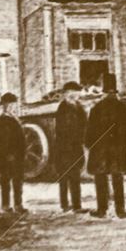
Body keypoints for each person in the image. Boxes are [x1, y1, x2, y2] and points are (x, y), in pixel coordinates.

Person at [84, 73, 126, 218]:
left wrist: (90, 145)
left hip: (100, 150)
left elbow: (89, 131)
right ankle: (120, 210)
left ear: (104, 93)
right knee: (117, 180)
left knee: (100, 180)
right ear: (115, 93)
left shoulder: (96, 108)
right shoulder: (123, 108)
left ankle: (102, 210)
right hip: (117, 150)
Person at [0, 92, 27, 214]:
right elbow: (1, 141)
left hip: (17, 156)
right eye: (10, 106)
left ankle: (18, 204)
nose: (13, 108)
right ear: (4, 106)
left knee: (17, 182)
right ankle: (6, 206)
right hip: (8, 157)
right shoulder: (2, 120)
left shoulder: (13, 118)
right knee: (6, 181)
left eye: (14, 105)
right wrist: (8, 155)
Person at [55, 81, 87, 213]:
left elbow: (84, 124)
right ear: (68, 93)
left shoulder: (79, 107)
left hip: (75, 147)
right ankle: (64, 205)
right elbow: (62, 129)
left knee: (75, 177)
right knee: (64, 177)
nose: (77, 95)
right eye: (75, 93)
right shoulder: (63, 108)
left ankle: (77, 205)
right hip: (64, 149)